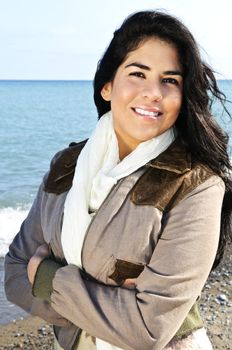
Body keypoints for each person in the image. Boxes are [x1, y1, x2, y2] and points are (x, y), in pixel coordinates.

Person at [4, 10, 232, 350]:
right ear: (108, 86)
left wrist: (49, 276)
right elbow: (14, 275)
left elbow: (146, 331)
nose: (153, 92)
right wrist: (111, 304)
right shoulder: (67, 165)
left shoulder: (197, 184)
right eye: (138, 73)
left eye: (170, 80)